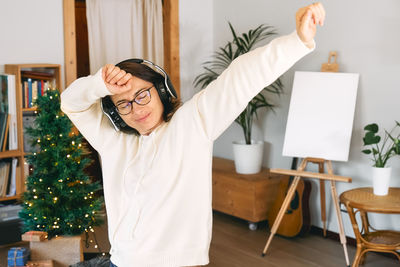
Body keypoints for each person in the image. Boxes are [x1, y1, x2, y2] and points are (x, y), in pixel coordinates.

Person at [61, 3, 325, 267]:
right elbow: (70, 102)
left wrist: (298, 41)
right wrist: (100, 84)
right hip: (120, 262)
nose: (136, 108)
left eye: (142, 95)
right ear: (117, 113)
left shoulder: (191, 124)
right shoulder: (113, 142)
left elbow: (242, 77)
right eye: (124, 103)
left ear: (162, 91)